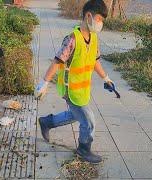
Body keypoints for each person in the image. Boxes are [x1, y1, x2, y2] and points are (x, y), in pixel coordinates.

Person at [35, 0, 115, 164]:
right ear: (88, 16)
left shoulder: (94, 38)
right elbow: (57, 61)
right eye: (99, 19)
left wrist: (106, 78)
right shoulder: (72, 39)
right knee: (88, 120)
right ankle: (83, 149)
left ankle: (46, 122)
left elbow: (95, 61)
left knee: (74, 115)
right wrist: (44, 83)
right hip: (70, 88)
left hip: (83, 89)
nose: (100, 24)